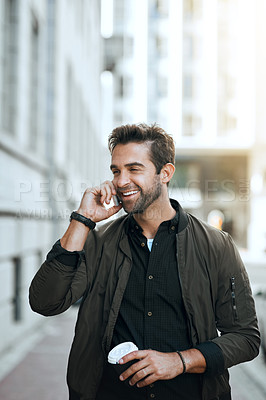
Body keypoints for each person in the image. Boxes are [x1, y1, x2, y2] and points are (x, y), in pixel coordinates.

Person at [29, 123, 260, 400]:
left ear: (165, 173)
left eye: (134, 169)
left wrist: (179, 361)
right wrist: (83, 219)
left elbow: (245, 337)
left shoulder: (216, 245)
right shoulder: (98, 242)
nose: (121, 181)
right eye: (116, 170)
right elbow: (45, 302)